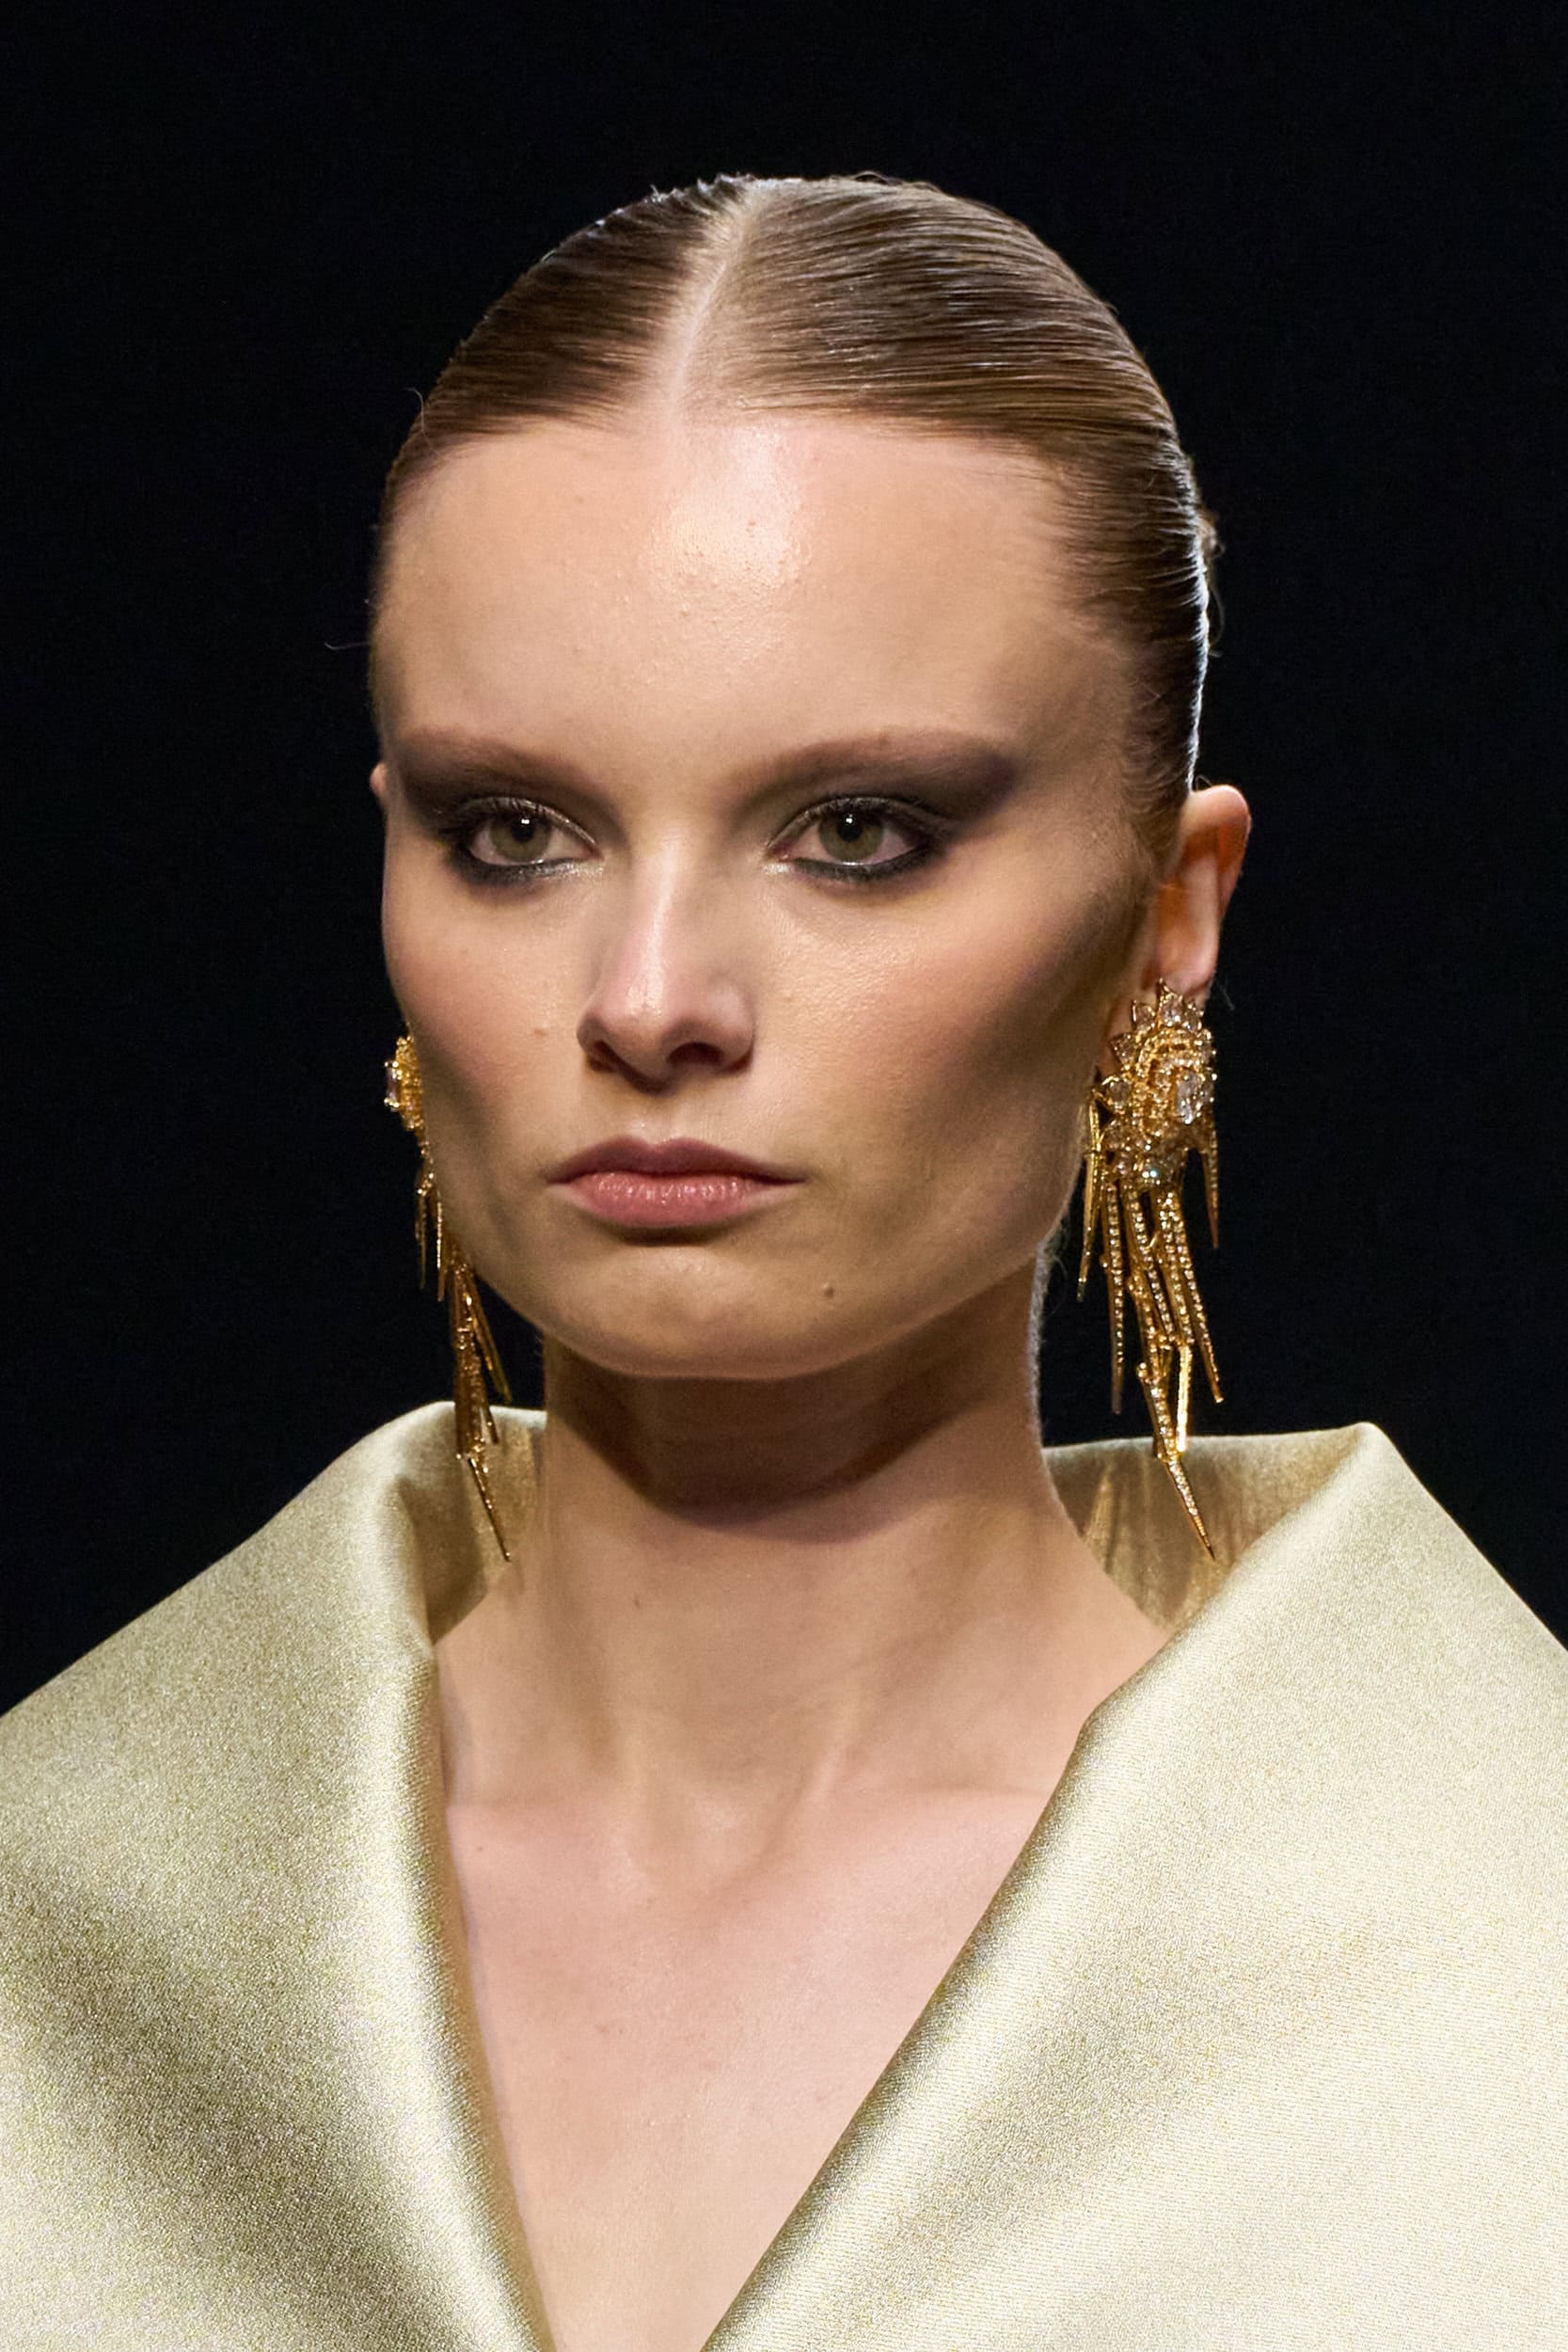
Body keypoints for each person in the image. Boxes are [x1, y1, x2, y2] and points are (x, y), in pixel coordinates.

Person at [3, 173, 1564, 2352]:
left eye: (856, 832)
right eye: (515, 832)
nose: (650, 996)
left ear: (1170, 911)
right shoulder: (58, 1920)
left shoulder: (1503, 1938)